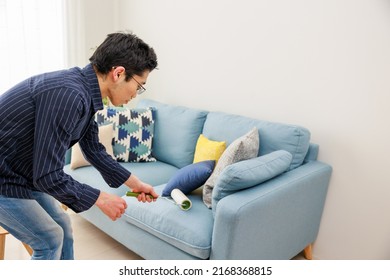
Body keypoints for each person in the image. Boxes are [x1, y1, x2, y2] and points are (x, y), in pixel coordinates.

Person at [0, 32, 159, 260]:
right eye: (139, 85)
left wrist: (136, 183)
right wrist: (101, 198)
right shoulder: (70, 95)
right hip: (5, 178)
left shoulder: (84, 91)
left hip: (21, 173)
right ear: (119, 73)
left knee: (63, 226)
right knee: (50, 239)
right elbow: (48, 175)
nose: (136, 94)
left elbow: (93, 149)